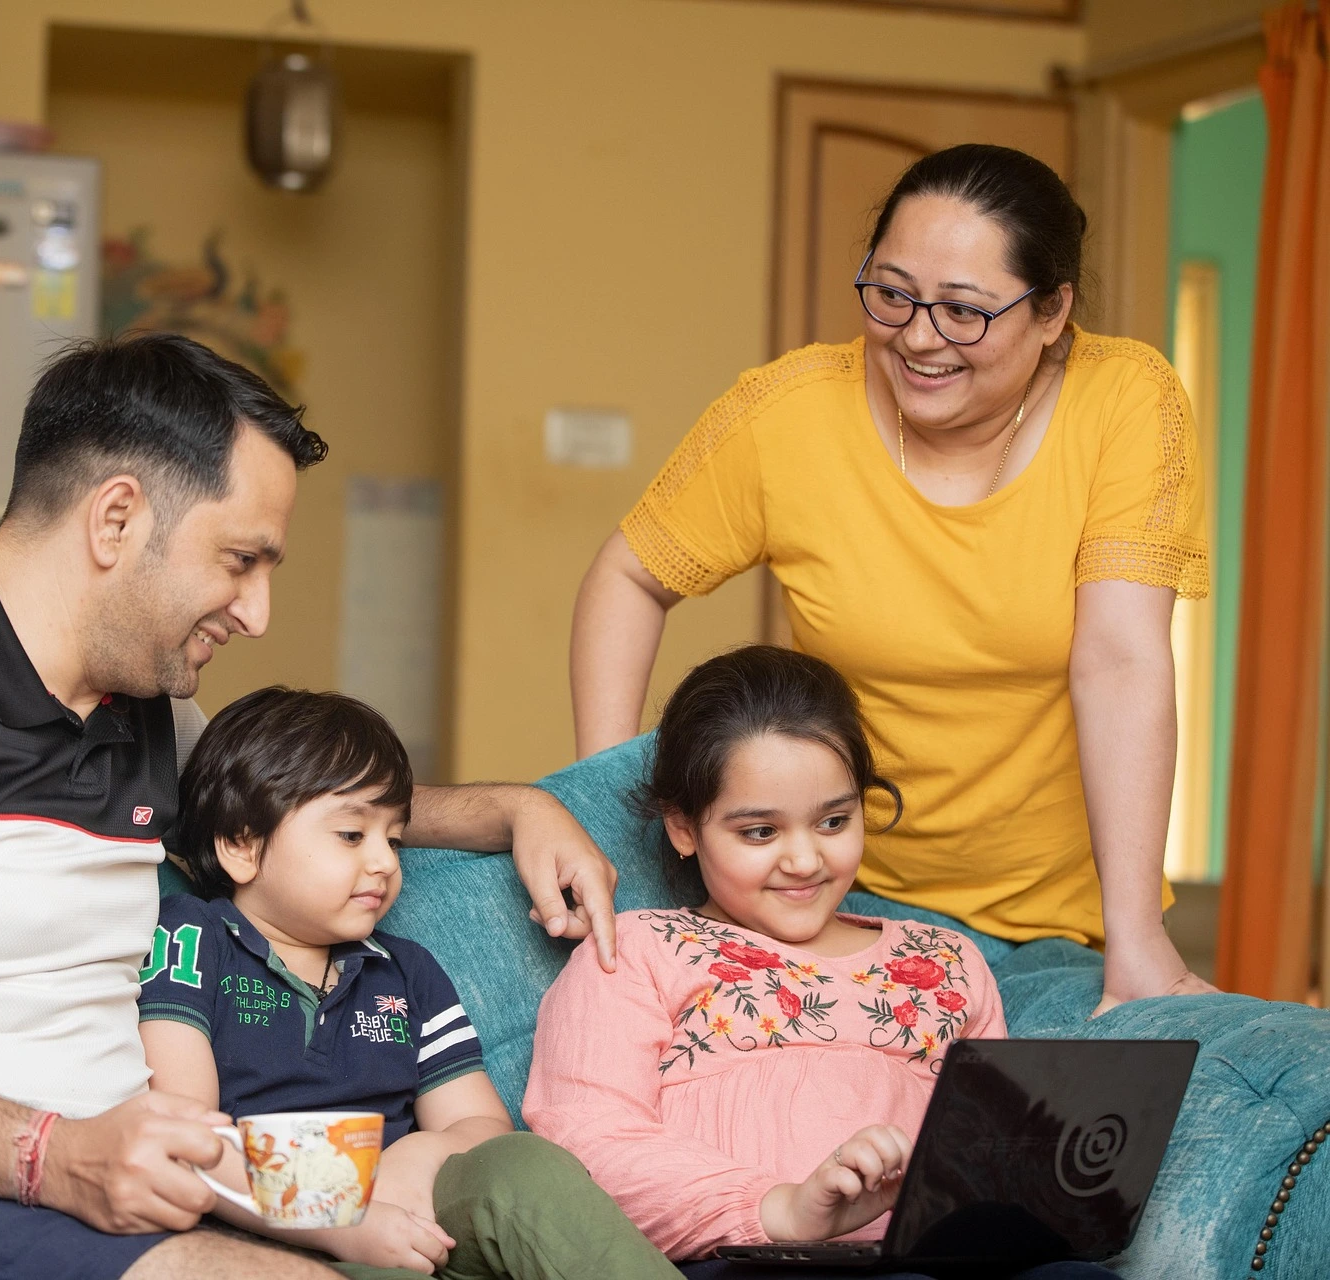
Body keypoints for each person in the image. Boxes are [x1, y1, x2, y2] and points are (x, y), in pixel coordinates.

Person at [0, 333, 620, 1280]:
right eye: (241, 560)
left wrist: (515, 811)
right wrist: (51, 1157)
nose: (257, 613)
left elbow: (300, 810)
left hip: (125, 1182)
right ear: (117, 519)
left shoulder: (147, 713)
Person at [570, 144, 1213, 1014]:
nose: (917, 337)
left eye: (965, 311)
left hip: (1062, 921)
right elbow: (630, 574)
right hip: (834, 895)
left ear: (1053, 310)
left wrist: (1133, 936)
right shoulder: (789, 413)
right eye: (893, 293)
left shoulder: (1127, 401)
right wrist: (609, 819)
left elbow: (1120, 659)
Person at [524, 647, 1118, 1279]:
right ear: (684, 828)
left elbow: (992, 1151)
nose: (805, 861)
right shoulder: (638, 950)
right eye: (760, 832)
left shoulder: (946, 961)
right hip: (752, 1261)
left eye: (834, 821)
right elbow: (586, 1146)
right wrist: (780, 1210)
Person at [139, 687, 679, 1279]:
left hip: (416, 1213)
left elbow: (481, 1128)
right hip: (269, 1239)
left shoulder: (404, 970)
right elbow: (187, 1139)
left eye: (393, 839)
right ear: (242, 845)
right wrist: (347, 1216)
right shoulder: (193, 938)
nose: (386, 862)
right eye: (352, 835)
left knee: (525, 1162)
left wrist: (424, 1153)